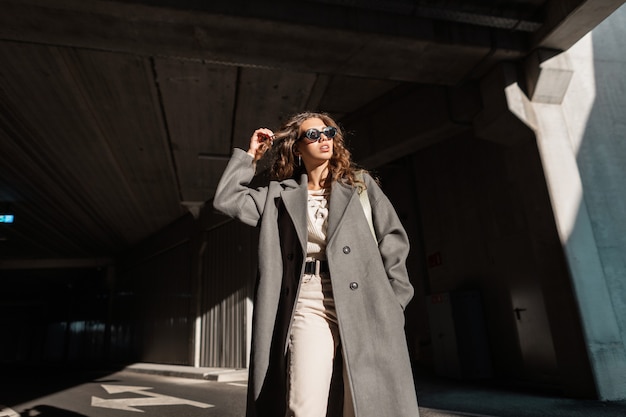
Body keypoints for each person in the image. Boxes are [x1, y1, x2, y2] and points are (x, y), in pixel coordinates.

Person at [213, 111, 420, 417]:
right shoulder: (279, 195)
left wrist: (394, 300)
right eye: (312, 134)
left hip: (366, 300)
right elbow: (227, 199)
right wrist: (251, 157)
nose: (323, 138)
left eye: (328, 132)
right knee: (304, 403)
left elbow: (393, 239)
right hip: (307, 300)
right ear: (297, 147)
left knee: (365, 404)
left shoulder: (360, 186)